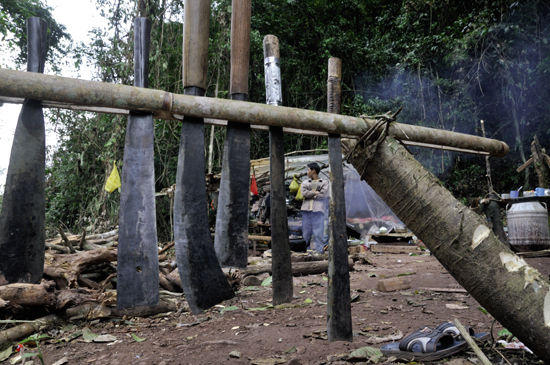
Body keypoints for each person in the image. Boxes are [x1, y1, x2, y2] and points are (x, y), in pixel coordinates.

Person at [300, 162, 329, 253]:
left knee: (318, 234)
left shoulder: (324, 182)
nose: (307, 172)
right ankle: (305, 253)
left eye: (308, 170)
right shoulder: (305, 182)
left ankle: (320, 253)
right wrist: (316, 192)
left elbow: (324, 195)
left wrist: (310, 193)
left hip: (318, 212)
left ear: (313, 171)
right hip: (306, 212)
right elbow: (303, 193)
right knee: (306, 234)